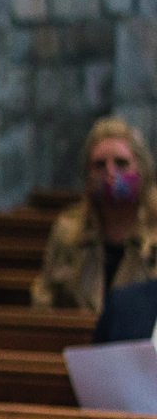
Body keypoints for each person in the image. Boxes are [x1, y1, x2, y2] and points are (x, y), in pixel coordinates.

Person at [32, 117, 157, 312]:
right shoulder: (69, 230)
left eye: (121, 163)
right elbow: (44, 301)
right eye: (99, 165)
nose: (110, 173)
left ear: (142, 169)